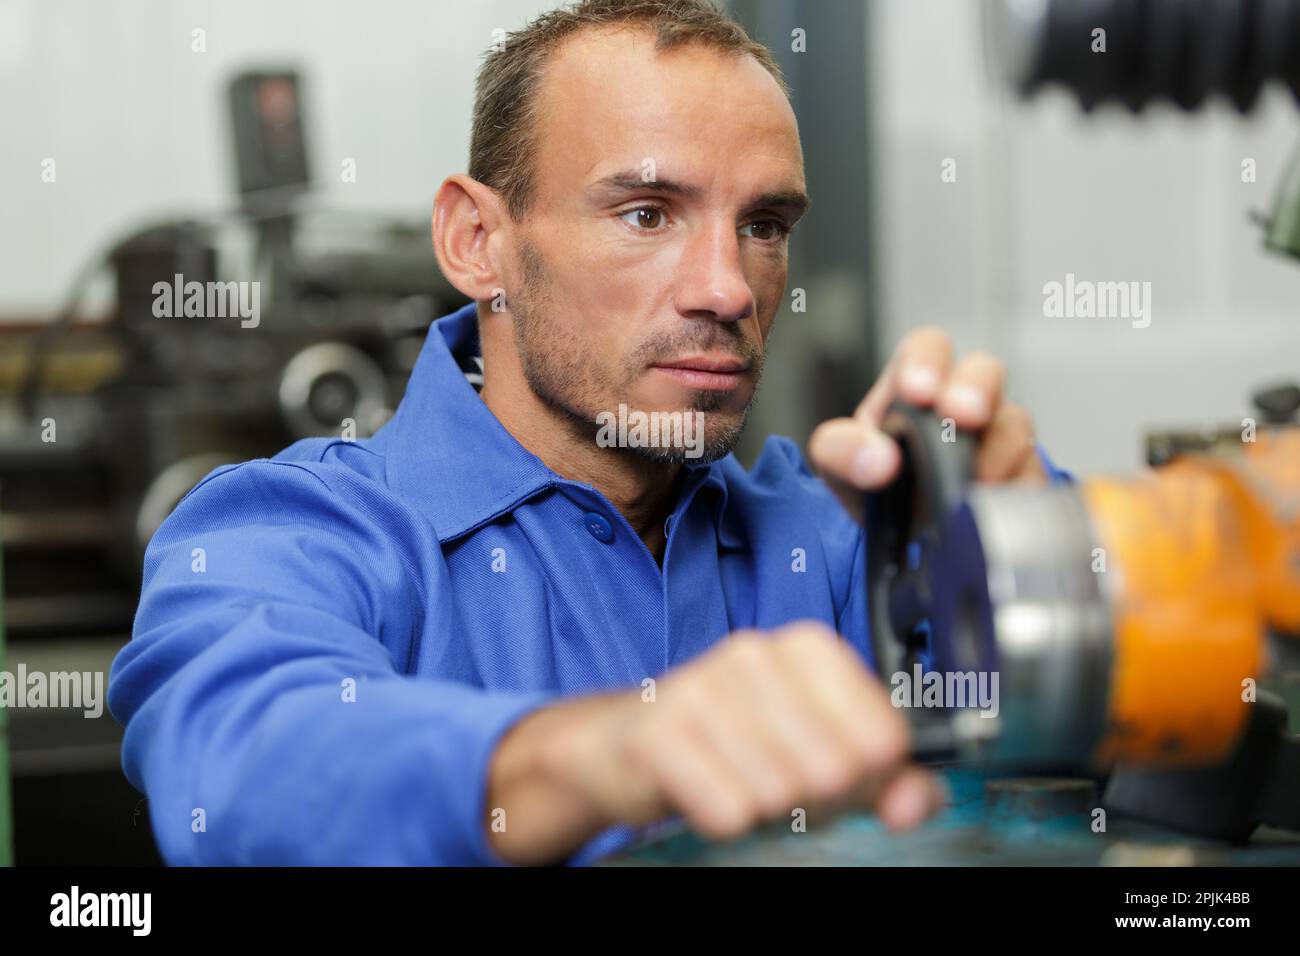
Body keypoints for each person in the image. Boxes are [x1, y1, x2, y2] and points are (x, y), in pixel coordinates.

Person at [109, 0, 1060, 865]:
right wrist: (612, 751)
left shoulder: (844, 542)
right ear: (477, 243)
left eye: (764, 225)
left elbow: (1113, 740)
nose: (728, 288)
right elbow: (242, 764)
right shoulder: (294, 533)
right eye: (647, 213)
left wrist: (1030, 549)